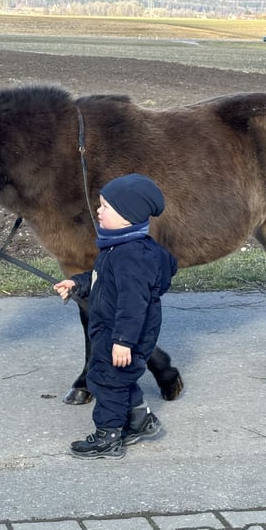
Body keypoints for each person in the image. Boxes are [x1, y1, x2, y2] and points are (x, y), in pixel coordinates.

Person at [54, 173, 178, 459]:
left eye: (106, 207)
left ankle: (107, 437)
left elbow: (134, 304)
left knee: (105, 380)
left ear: (127, 217)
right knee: (118, 379)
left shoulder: (131, 256)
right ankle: (140, 420)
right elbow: (102, 278)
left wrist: (123, 341)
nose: (98, 210)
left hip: (122, 335)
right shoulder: (119, 248)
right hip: (112, 330)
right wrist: (77, 283)